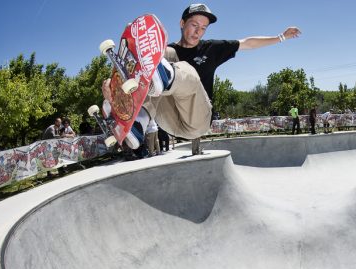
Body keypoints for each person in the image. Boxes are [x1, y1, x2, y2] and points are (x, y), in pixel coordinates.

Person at [103, 3, 301, 155]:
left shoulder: (211, 48)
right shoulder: (167, 52)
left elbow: (247, 43)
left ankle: (167, 76)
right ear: (182, 24)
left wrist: (280, 37)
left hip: (197, 120)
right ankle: (139, 122)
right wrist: (116, 94)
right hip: (169, 120)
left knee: (181, 68)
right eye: (194, 25)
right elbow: (140, 74)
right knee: (161, 56)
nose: (198, 31)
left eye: (203, 28)